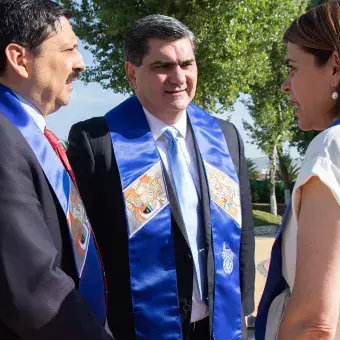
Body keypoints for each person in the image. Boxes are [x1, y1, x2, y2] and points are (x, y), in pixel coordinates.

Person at [67, 14, 255, 340]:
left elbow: (244, 228)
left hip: (219, 322)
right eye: (162, 66)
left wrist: (244, 303)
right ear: (131, 73)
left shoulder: (225, 137)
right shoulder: (96, 143)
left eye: (187, 64)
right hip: (137, 326)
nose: (178, 77)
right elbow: (82, 250)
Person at [0, 1, 112, 339]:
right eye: (70, 49)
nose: (81, 64)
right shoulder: (4, 140)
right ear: (20, 59)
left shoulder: (31, 137)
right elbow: (33, 290)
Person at [256, 1, 340, 339]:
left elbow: (313, 322)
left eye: (293, 68)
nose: (286, 85)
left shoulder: (331, 147)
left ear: (335, 67)